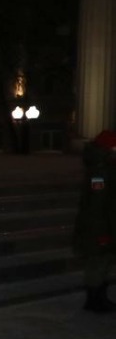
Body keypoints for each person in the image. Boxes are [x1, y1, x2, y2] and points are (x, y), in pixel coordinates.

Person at [74, 129, 116, 312]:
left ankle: (100, 297)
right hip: (98, 228)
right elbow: (96, 206)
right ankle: (93, 300)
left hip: (106, 225)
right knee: (97, 264)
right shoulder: (99, 171)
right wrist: (102, 233)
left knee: (105, 263)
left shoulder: (107, 168)